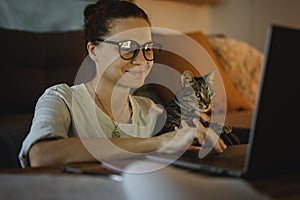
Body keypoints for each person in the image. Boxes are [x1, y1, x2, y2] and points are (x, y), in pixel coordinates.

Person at [19, 0, 227, 168]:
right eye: (127, 47)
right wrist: (158, 143)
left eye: (148, 48)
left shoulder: (150, 111)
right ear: (93, 51)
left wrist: (192, 138)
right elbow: (40, 156)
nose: (142, 60)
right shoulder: (61, 99)